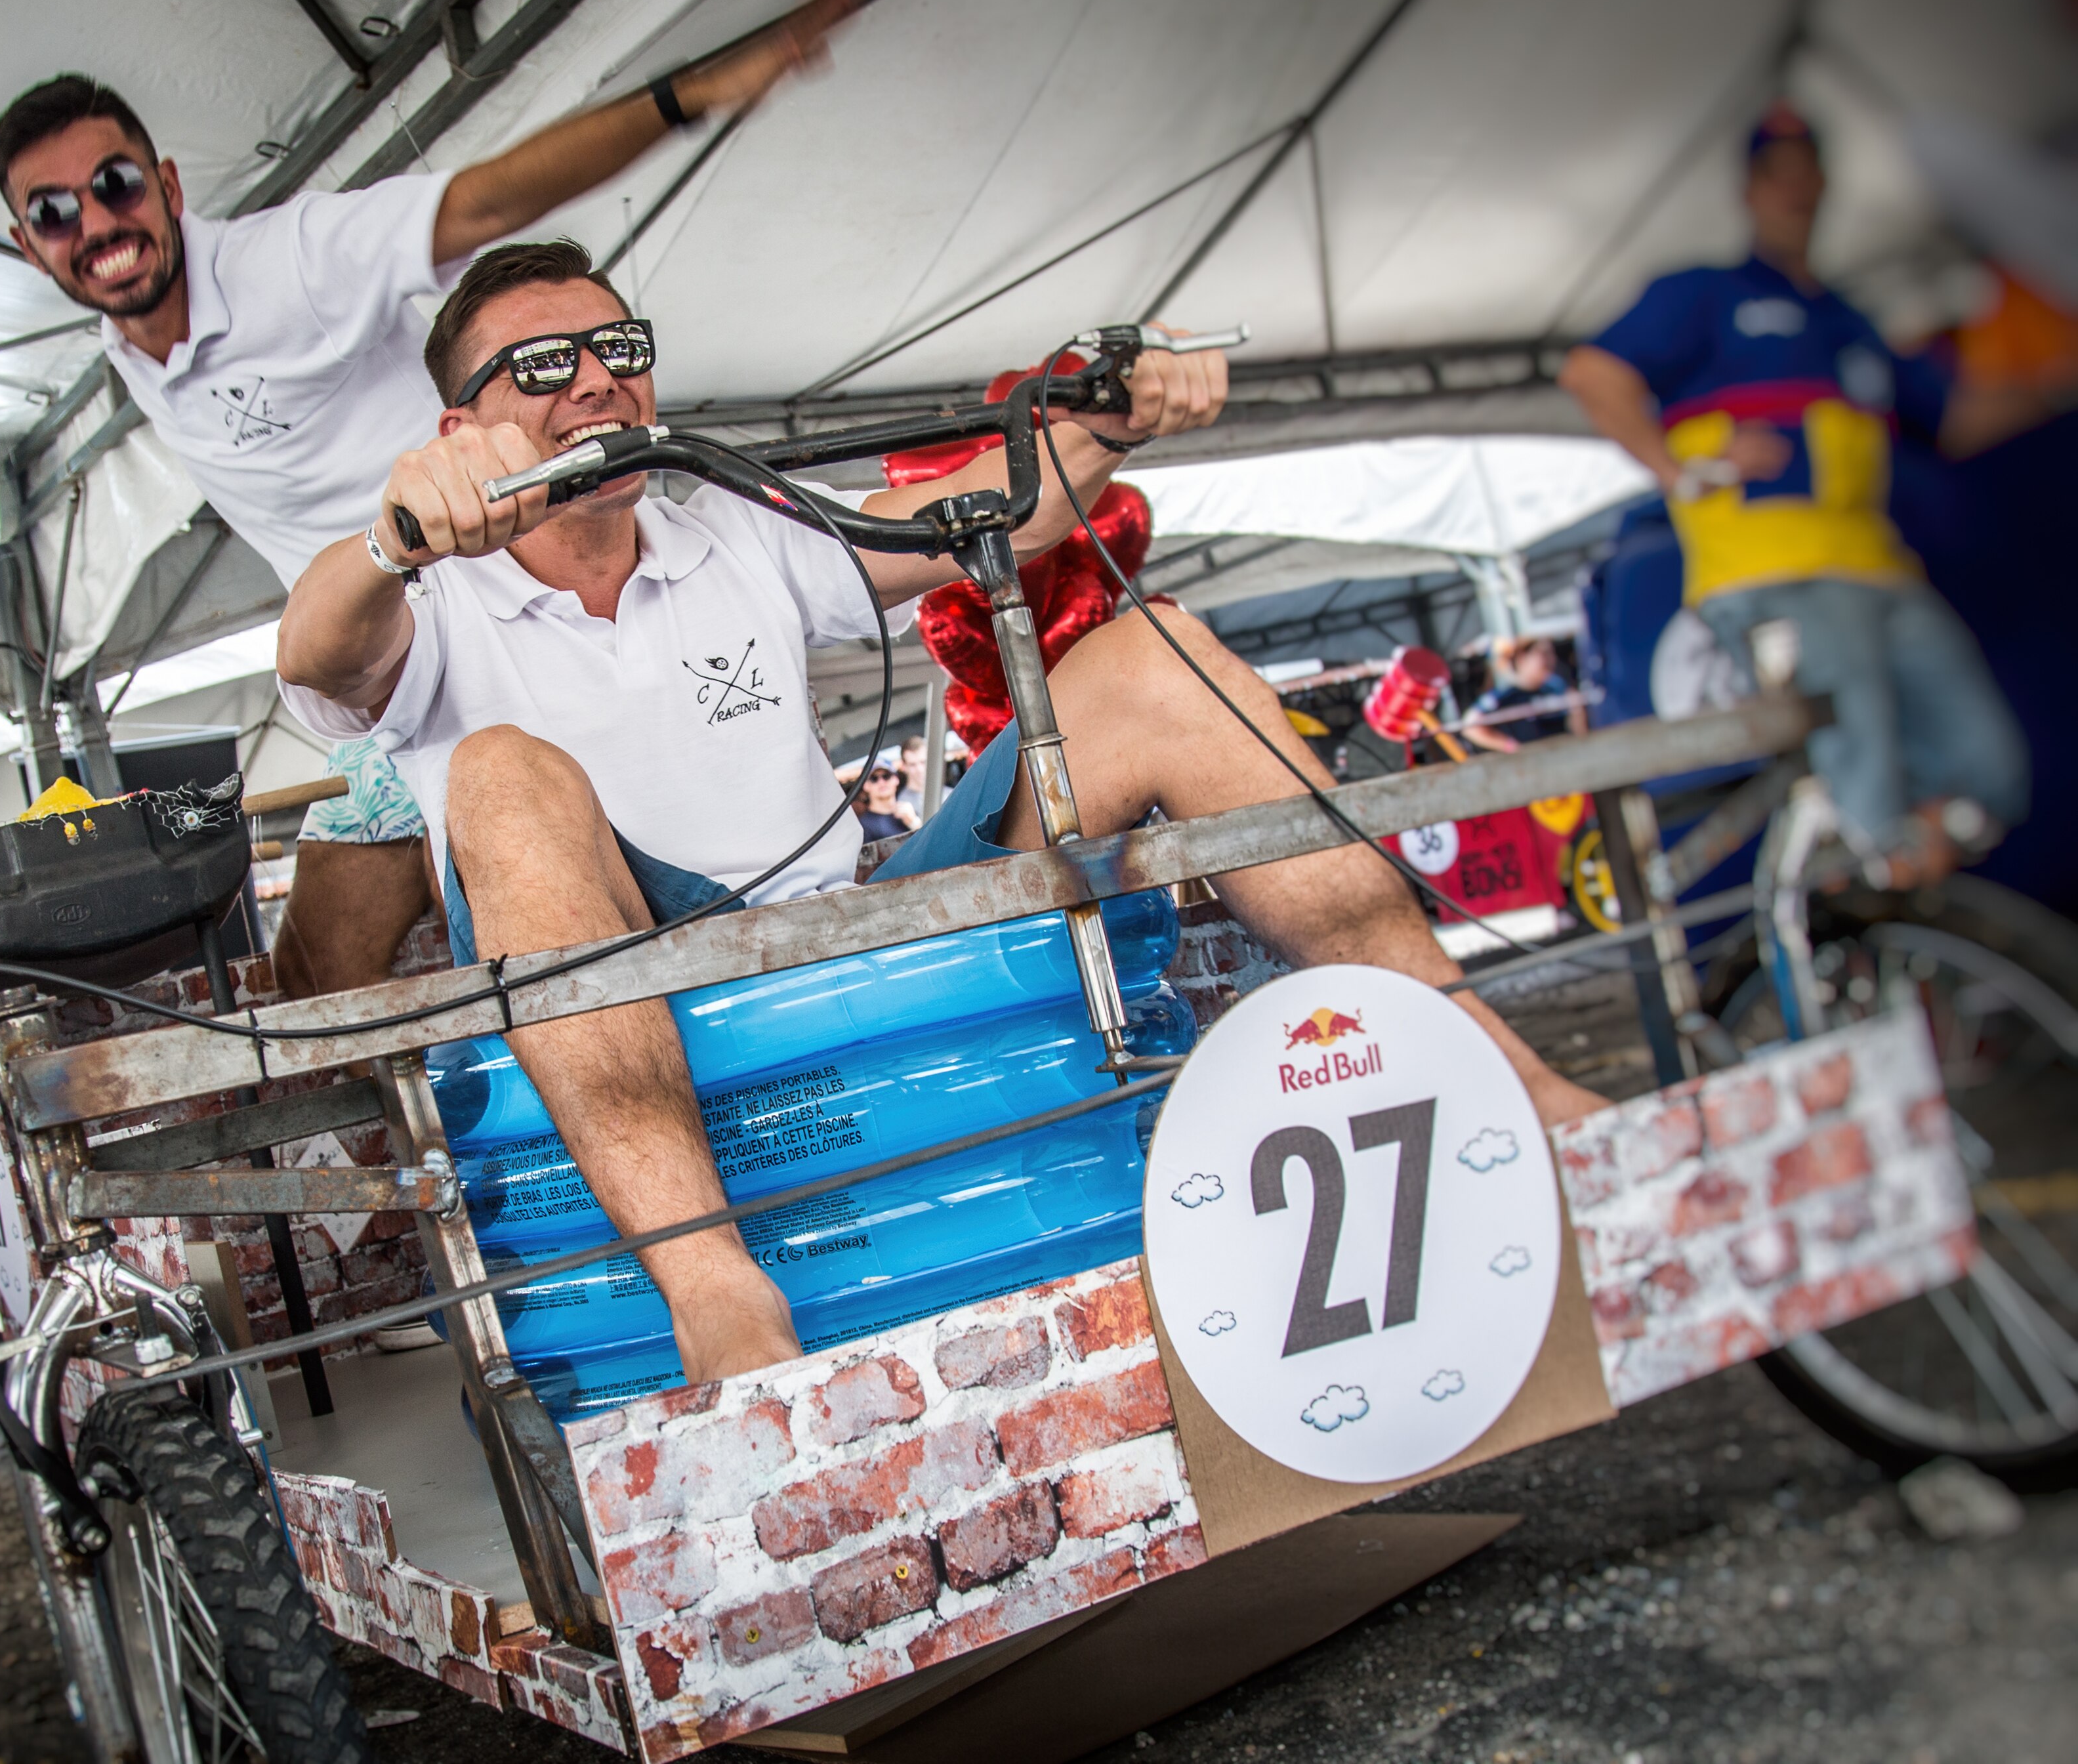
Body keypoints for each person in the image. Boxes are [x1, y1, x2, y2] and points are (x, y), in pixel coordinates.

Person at [276, 241, 1606, 1384]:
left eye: (616, 348)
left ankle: (1484, 1048)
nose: (599, 382)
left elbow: (988, 513)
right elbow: (317, 655)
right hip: (630, 944)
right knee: (502, 772)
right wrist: (395, 539)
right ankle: (717, 1293)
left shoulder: (730, 527)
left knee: (1155, 655)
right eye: (545, 366)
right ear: (461, 430)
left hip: (857, 906)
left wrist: (1117, 419)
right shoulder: (424, 595)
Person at [0, 0, 859, 996]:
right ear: (25, 243)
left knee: (354, 941)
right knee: (316, 965)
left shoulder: (290, 263)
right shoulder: (127, 352)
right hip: (375, 648)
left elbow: (484, 204)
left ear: (169, 185)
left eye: (116, 186)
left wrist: (689, 94)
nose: (97, 222)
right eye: (55, 212)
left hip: (490, 609)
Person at [1558, 102, 2029, 883]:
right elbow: (1590, 372)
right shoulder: (1704, 295)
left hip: (1880, 570)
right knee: (1866, 783)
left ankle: (1899, 920)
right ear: (1748, 189)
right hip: (1771, 575)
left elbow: (1956, 414)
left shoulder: (1847, 320)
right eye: (1777, 172)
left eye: (1809, 168)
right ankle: (1874, 933)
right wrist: (1676, 469)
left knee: (1989, 764)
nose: (1797, 187)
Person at [1461, 636, 1586, 753]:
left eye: (1551, 653)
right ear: (1522, 658)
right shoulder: (1506, 694)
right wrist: (1511, 746)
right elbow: (1471, 727)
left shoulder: (1558, 687)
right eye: (1543, 654)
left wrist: (1577, 712)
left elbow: (1578, 731)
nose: (1550, 660)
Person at [855, 757, 918, 842]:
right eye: (874, 778)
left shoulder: (909, 811)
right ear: (866, 785)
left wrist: (914, 823)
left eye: (886, 776)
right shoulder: (863, 826)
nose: (882, 782)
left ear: (896, 780)